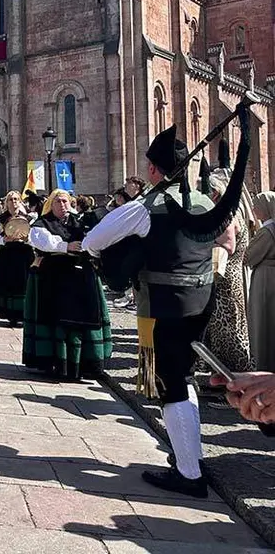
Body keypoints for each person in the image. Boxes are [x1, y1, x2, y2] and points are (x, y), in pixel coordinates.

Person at [83, 121, 244, 498]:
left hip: (162, 307)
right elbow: (228, 242)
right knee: (183, 377)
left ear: (154, 170)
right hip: (202, 302)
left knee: (171, 384)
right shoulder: (206, 202)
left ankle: (189, 474)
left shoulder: (145, 207)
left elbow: (94, 240)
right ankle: (189, 456)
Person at [23, 190, 112, 382]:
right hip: (54, 277)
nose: (62, 205)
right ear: (50, 204)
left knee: (84, 318)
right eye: (58, 201)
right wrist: (66, 246)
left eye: (65, 201)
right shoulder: (41, 223)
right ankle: (58, 364)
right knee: (58, 320)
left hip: (80, 277)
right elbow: (43, 241)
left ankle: (85, 365)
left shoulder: (80, 221)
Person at [203, 171, 253, 373]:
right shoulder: (232, 210)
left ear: (216, 193)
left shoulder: (226, 214)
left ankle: (235, 376)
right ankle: (223, 376)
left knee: (229, 329)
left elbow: (228, 245)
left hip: (227, 277)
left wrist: (202, 242)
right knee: (223, 327)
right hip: (229, 275)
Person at [0, 191, 34, 326]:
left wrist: (27, 239)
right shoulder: (0, 219)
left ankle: (25, 314)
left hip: (25, 255)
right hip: (7, 255)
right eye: (10, 200)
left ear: (20, 201)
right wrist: (3, 239)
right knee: (9, 285)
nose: (14, 202)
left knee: (24, 285)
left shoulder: (29, 218)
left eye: (16, 199)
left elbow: (36, 237)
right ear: (6, 203)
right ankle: (11, 316)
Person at [247, 192, 275, 371]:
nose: (254, 209)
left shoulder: (266, 232)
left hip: (265, 278)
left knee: (263, 321)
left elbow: (250, 256)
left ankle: (265, 364)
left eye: (257, 205)